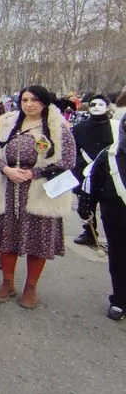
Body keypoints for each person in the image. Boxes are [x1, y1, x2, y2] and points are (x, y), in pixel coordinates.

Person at [0, 85, 76, 308]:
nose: (29, 104)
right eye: (25, 100)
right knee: (7, 240)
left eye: (34, 100)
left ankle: (31, 287)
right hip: (8, 189)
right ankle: (7, 283)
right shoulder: (8, 123)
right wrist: (7, 170)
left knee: (38, 241)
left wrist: (34, 173)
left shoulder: (57, 127)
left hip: (39, 192)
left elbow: (68, 161)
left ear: (44, 102)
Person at [78, 117, 126, 321]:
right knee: (119, 257)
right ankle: (119, 300)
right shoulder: (110, 155)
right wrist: (87, 204)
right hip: (115, 212)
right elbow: (92, 179)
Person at [71, 94, 118, 248]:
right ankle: (90, 232)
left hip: (109, 174)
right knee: (85, 207)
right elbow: (73, 150)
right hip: (85, 174)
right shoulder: (79, 128)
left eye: (100, 104)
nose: (96, 107)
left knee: (111, 209)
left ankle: (114, 235)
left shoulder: (116, 127)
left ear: (108, 107)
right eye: (93, 104)